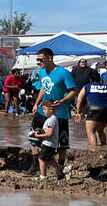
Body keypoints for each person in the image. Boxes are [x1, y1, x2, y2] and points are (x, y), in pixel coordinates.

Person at [32, 49, 77, 179]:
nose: (38, 62)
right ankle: (35, 165)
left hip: (60, 112)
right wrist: (37, 103)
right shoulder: (41, 72)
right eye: (37, 60)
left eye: (41, 59)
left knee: (62, 143)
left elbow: (73, 91)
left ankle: (60, 170)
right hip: (42, 111)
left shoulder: (63, 73)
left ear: (50, 58)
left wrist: (62, 101)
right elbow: (42, 88)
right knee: (35, 138)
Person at [75, 70, 107, 147]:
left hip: (94, 109)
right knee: (100, 131)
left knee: (90, 131)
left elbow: (79, 99)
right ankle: (103, 147)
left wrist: (78, 112)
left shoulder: (87, 86)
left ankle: (94, 149)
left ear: (90, 79)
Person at [31, 100, 60, 179]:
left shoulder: (51, 120)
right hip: (51, 143)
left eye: (44, 109)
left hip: (48, 143)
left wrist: (38, 136)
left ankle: (43, 176)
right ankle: (62, 168)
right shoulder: (53, 119)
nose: (43, 111)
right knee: (48, 160)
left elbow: (49, 134)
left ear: (51, 109)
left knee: (41, 159)